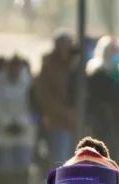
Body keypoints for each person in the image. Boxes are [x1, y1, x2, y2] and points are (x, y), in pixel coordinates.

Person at [86, 37, 119, 183]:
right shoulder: (97, 74)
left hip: (116, 127)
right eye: (112, 52)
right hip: (103, 126)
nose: (116, 56)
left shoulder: (118, 75)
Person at [0, 55, 35, 184]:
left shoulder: (29, 83)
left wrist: (22, 123)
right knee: (5, 165)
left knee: (23, 164)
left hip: (24, 130)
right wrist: (6, 122)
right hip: (3, 130)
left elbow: (34, 107)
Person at [35, 32, 79, 166]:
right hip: (58, 123)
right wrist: (65, 113)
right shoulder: (49, 67)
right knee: (60, 164)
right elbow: (45, 97)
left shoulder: (74, 66)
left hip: (76, 124)